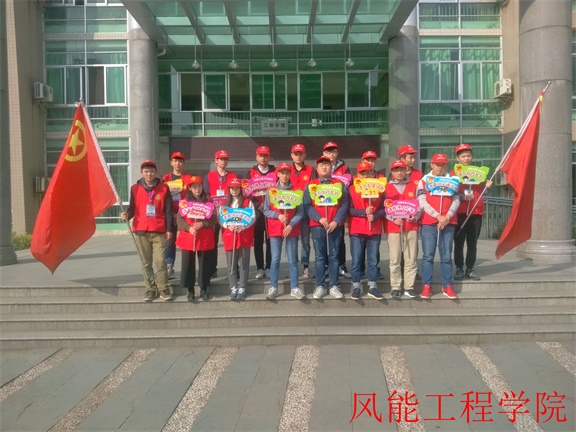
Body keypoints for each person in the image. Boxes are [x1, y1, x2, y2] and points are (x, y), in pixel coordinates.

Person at [121, 160, 174, 302]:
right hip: (141, 230)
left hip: (159, 229)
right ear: (141, 173)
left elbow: (168, 210)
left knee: (160, 261)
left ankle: (163, 287)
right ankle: (150, 289)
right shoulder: (135, 188)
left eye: (151, 171)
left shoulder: (164, 188)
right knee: (145, 263)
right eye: (146, 171)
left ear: (156, 172)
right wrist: (127, 215)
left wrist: (170, 229)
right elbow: (132, 208)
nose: (149, 174)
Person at [303, 155, 349, 300]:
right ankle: (320, 285)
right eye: (321, 165)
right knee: (319, 256)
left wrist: (336, 221)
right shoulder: (311, 185)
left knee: (334, 256)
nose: (324, 167)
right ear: (317, 169)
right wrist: (319, 218)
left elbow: (344, 204)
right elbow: (307, 205)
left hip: (335, 226)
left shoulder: (339, 184)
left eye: (327, 165)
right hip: (318, 226)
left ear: (331, 168)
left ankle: (334, 285)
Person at [417, 153, 460, 300]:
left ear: (446, 165)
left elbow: (456, 200)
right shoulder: (423, 181)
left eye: (443, 164)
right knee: (428, 255)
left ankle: (447, 285)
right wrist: (437, 215)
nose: (440, 167)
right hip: (429, 222)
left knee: (446, 256)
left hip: (448, 222)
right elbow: (422, 201)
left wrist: (447, 216)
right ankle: (426, 285)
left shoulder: (453, 180)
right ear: (432, 164)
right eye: (437, 164)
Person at [264, 163, 305, 300]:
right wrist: (278, 216)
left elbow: (300, 212)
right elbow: (266, 210)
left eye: (287, 173)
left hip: (291, 229)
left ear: (290, 174)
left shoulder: (296, 191)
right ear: (278, 174)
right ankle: (273, 287)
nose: (285, 175)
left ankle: (295, 287)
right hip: (276, 228)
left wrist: (292, 224)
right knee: (275, 259)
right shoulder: (271, 191)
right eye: (282, 173)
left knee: (293, 259)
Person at [452, 143, 493, 281]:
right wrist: (462, 197)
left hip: (475, 212)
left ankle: (470, 268)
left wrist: (488, 187)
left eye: (468, 156)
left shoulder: (479, 172)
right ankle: (459, 268)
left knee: (472, 243)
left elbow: (483, 192)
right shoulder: (453, 174)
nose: (466, 158)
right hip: (459, 212)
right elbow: (450, 192)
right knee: (458, 242)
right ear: (458, 158)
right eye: (463, 156)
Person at [348, 162, 386, 300]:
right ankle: (356, 286)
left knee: (373, 260)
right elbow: (349, 209)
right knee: (356, 260)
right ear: (357, 174)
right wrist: (364, 212)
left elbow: (384, 208)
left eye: (367, 172)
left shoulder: (380, 189)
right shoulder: (351, 189)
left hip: (374, 229)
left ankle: (372, 286)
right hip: (357, 229)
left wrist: (375, 215)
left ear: (371, 173)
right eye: (362, 173)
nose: (365, 175)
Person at [176, 176, 217, 302]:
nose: (197, 189)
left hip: (204, 236)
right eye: (194, 187)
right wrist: (188, 228)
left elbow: (213, 218)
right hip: (189, 236)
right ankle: (190, 290)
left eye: (199, 186)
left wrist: (204, 224)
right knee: (188, 263)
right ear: (190, 188)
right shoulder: (184, 202)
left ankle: (204, 288)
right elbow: (179, 219)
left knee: (204, 263)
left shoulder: (208, 201)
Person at [384, 160, 421, 299]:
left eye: (401, 170)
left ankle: (409, 287)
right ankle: (395, 286)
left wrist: (416, 216)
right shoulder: (386, 187)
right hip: (393, 227)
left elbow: (419, 205)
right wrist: (392, 218)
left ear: (406, 171)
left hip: (410, 226)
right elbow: (383, 207)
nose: (399, 172)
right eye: (396, 170)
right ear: (392, 172)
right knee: (395, 258)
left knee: (410, 258)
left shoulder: (413, 186)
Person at [203, 149, 236, 279]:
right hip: (213, 214)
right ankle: (212, 269)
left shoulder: (233, 175)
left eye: (225, 159)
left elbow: (236, 193)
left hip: (228, 213)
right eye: (221, 159)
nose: (223, 161)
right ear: (216, 160)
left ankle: (234, 269)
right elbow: (206, 195)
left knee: (231, 240)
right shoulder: (209, 176)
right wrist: (212, 210)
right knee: (212, 241)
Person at [221, 178, 255, 300]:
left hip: (243, 235)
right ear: (229, 189)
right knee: (231, 263)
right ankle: (233, 286)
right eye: (232, 188)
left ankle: (242, 287)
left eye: (236, 188)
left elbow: (252, 217)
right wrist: (228, 225)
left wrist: (244, 226)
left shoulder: (247, 202)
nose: (234, 190)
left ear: (240, 189)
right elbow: (221, 218)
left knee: (244, 263)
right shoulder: (224, 203)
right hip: (230, 236)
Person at [322, 141, 351, 279]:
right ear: (324, 153)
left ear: (337, 153)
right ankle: (326, 266)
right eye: (328, 151)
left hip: (338, 207)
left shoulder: (344, 167)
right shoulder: (321, 166)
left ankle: (341, 265)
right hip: (324, 207)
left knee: (340, 238)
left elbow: (349, 185)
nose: (331, 154)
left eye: (333, 151)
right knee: (325, 238)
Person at [245, 146, 275, 279]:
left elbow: (279, 190)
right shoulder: (251, 172)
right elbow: (246, 192)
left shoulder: (275, 171)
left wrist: (268, 205)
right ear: (256, 157)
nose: (263, 158)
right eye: (260, 156)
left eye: (265, 156)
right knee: (257, 241)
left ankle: (269, 267)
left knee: (270, 241)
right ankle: (259, 268)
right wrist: (258, 205)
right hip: (257, 211)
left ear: (269, 157)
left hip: (271, 211)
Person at [162, 151, 191, 277]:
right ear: (171, 163)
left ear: (183, 163)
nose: (177, 163)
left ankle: (188, 267)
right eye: (175, 161)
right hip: (170, 213)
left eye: (180, 161)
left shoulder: (188, 178)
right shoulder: (165, 178)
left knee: (187, 239)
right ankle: (169, 265)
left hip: (184, 213)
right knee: (170, 240)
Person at [290, 143, 314, 278]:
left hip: (305, 211)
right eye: (296, 154)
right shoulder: (286, 170)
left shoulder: (311, 170)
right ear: (291, 155)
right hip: (291, 212)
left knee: (305, 241)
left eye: (300, 153)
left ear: (305, 155)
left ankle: (305, 266)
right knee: (292, 241)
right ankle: (292, 266)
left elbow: (315, 189)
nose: (298, 156)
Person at [360, 150, 385, 279]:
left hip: (375, 217)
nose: (370, 162)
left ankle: (376, 268)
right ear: (362, 161)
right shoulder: (357, 178)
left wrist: (376, 213)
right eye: (368, 160)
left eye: (373, 160)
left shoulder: (380, 177)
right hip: (361, 217)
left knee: (374, 249)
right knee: (360, 248)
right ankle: (361, 269)